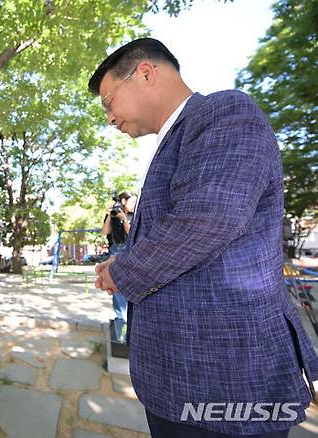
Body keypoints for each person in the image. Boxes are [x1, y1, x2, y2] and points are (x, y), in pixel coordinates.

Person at [89, 38, 318, 437]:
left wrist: (122, 271)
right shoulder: (179, 138)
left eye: (109, 102)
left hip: (228, 378)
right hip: (180, 380)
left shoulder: (225, 111)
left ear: (145, 73)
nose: (109, 118)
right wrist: (121, 260)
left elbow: (205, 221)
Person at [101, 191, 135, 331]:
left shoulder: (135, 215)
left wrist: (124, 219)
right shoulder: (114, 214)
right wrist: (109, 216)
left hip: (131, 252)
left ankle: (131, 320)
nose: (134, 204)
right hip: (115, 251)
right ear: (123, 201)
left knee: (130, 285)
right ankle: (121, 319)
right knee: (116, 286)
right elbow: (104, 232)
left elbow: (133, 233)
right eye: (132, 201)